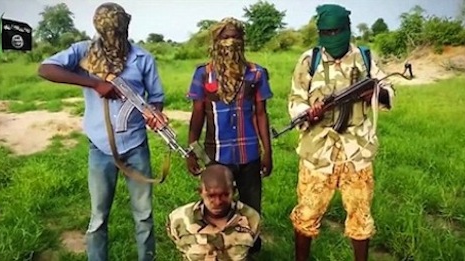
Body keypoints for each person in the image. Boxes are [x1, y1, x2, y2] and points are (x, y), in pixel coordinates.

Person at [37, 3, 167, 261]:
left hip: (135, 145)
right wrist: (94, 83)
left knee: (144, 215)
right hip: (100, 147)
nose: (113, 34)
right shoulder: (85, 52)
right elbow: (46, 69)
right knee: (98, 217)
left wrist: (153, 114)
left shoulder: (143, 59)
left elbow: (156, 99)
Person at [287, 4, 396, 261]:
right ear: (320, 32)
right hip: (318, 150)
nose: (333, 36)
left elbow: (388, 91)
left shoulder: (366, 58)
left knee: (360, 213)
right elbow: (295, 99)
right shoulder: (309, 60)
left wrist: (374, 93)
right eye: (327, 32)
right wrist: (307, 112)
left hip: (356, 149)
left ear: (348, 29)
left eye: (338, 31)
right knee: (307, 212)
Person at [184, 17, 273, 252]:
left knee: (251, 207)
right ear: (216, 41)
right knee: (218, 206)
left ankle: (249, 248)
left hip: (250, 153)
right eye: (225, 37)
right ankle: (218, 249)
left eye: (235, 36)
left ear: (243, 40)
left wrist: (267, 152)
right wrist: (191, 150)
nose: (230, 42)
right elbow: (197, 115)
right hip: (217, 155)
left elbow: (261, 114)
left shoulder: (256, 73)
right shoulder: (204, 75)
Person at [166, 164, 261, 261]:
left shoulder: (251, 218)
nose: (218, 202)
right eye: (211, 196)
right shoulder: (179, 220)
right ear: (200, 192)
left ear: (234, 191)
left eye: (224, 195)